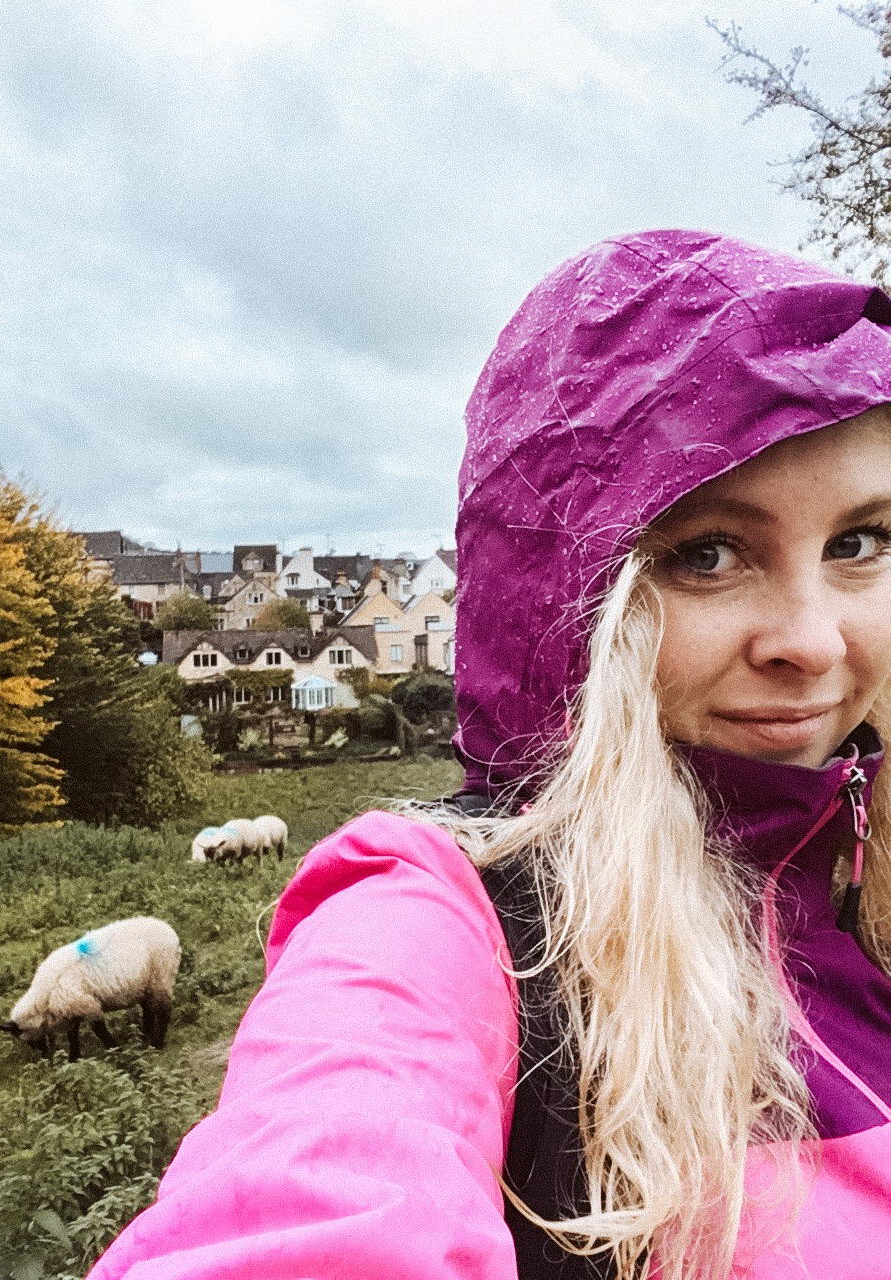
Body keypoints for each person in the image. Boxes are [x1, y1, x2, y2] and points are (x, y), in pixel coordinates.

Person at [88, 231, 891, 1280]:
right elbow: (323, 1190)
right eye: (707, 554)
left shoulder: (868, 874)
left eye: (858, 542)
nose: (814, 641)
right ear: (559, 592)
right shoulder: (453, 920)